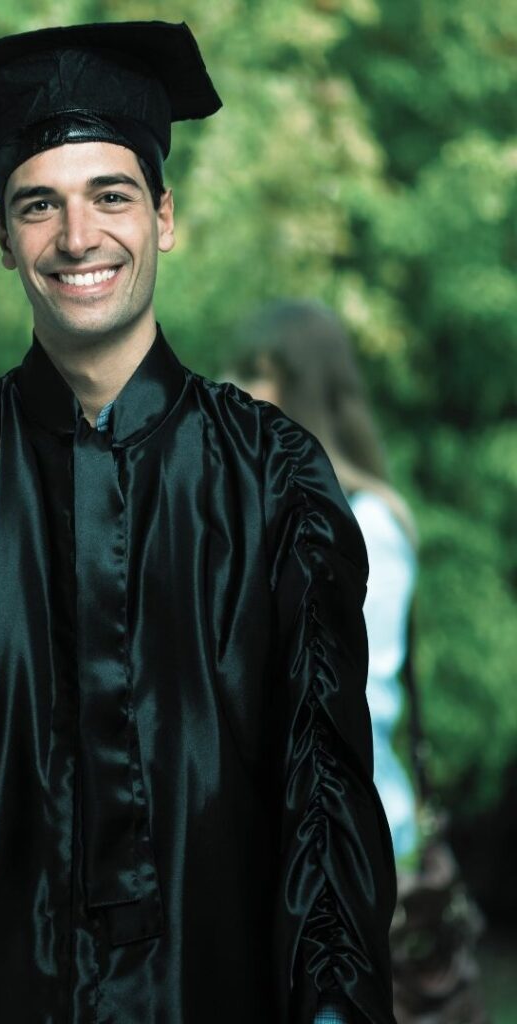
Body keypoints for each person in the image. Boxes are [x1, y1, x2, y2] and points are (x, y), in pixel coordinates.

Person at [0, 23, 397, 1024]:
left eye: (110, 195)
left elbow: (324, 790)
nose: (77, 237)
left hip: (216, 987)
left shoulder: (274, 480)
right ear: (2, 237)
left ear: (164, 217)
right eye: (38, 205)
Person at [230, 299, 420, 866]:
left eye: (257, 372)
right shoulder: (255, 510)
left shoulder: (368, 522)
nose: (236, 388)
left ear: (301, 386)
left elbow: (356, 696)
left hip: (341, 843)